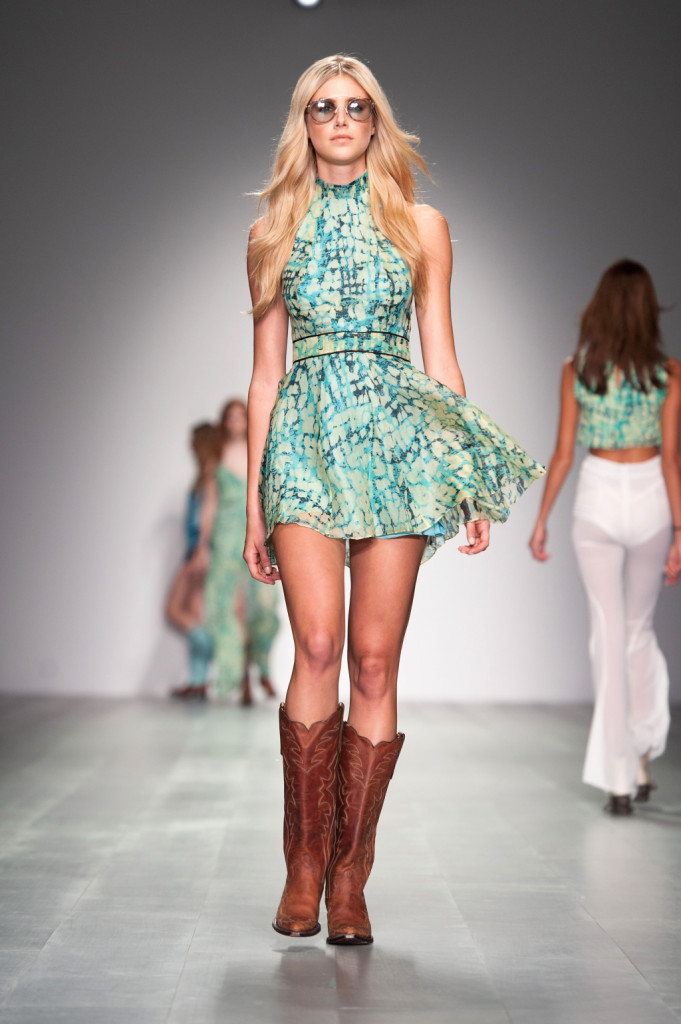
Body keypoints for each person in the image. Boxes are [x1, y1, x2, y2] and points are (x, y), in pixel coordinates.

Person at [245, 54, 544, 945]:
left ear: (375, 122)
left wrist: (467, 470)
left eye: (355, 107)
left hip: (399, 448)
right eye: (323, 107)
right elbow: (263, 376)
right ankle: (302, 864)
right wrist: (256, 502)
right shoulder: (271, 232)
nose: (340, 119)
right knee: (317, 644)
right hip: (304, 440)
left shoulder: (422, 225)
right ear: (304, 123)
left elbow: (440, 355)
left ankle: (350, 876)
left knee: (374, 662)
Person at [529, 259, 681, 815]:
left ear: (599, 307)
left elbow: (563, 453)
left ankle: (619, 776)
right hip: (650, 494)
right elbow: (672, 459)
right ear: (646, 309)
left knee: (609, 633)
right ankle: (640, 751)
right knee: (636, 631)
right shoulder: (668, 373)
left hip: (597, 493)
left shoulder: (577, 370)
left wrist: (542, 518)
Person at [201, 399, 279, 703]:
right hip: (225, 536)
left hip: (253, 531)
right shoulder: (216, 456)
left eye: (240, 417)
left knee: (262, 606)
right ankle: (239, 675)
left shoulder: (257, 451)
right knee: (230, 608)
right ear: (224, 421)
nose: (236, 422)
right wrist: (201, 546)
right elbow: (210, 503)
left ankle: (260, 667)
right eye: (230, 417)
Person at [166, 422, 220, 700]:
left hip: (200, 549)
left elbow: (208, 515)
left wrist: (201, 549)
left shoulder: (211, 473)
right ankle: (198, 681)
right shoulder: (204, 474)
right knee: (193, 612)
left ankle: (213, 649)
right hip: (197, 548)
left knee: (176, 609)